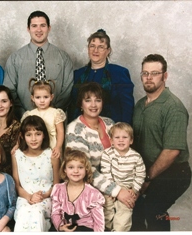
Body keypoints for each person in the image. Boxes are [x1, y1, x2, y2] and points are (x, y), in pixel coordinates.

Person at [131, 54, 191, 231]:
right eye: (145, 73)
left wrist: (147, 178)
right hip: (146, 169)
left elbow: (172, 151)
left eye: (155, 73)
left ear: (165, 76)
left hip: (174, 172)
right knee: (133, 208)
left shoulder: (173, 107)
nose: (149, 78)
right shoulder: (141, 105)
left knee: (154, 208)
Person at [65, 81, 135, 210]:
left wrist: (129, 186)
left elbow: (124, 156)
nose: (93, 105)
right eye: (87, 100)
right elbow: (85, 169)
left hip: (117, 183)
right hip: (90, 188)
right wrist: (116, 191)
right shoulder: (75, 130)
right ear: (80, 104)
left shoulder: (110, 123)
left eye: (98, 100)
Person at [3, 10, 73, 120]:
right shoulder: (15, 58)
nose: (39, 30)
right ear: (28, 29)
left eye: (43, 25)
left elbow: (68, 90)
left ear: (49, 28)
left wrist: (52, 114)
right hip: (24, 122)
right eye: (34, 26)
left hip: (55, 121)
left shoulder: (63, 57)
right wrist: (25, 115)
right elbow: (10, 90)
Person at [67, 29, 134, 125]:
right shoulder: (77, 74)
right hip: (81, 130)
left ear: (108, 51)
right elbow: (72, 106)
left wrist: (123, 132)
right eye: (92, 46)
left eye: (101, 47)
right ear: (88, 49)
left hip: (112, 130)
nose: (95, 50)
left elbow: (127, 108)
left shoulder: (119, 73)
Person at [12, 115, 60, 231]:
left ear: (44, 135)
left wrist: (42, 196)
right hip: (25, 198)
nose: (33, 139)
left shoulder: (51, 155)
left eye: (38, 134)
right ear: (22, 136)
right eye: (29, 135)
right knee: (23, 213)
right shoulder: (16, 155)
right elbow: (17, 185)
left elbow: (56, 185)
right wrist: (29, 197)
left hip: (45, 199)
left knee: (37, 212)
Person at [100, 122, 146, 231]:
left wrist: (134, 189)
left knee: (125, 211)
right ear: (111, 141)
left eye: (125, 137)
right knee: (106, 208)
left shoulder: (136, 157)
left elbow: (141, 174)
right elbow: (105, 172)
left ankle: (119, 230)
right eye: (117, 137)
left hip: (127, 187)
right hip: (111, 186)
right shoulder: (107, 154)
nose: (121, 140)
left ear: (131, 140)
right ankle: (108, 227)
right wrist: (112, 190)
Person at [51, 147, 105, 232]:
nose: (76, 171)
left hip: (85, 229)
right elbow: (55, 213)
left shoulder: (93, 194)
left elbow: (99, 222)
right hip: (64, 228)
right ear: (65, 169)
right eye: (71, 167)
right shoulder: (59, 189)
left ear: (86, 169)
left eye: (80, 167)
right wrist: (60, 227)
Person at [21, 78, 66, 158]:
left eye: (46, 97)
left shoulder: (55, 113)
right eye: (38, 97)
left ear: (51, 97)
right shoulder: (30, 114)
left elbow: (60, 131)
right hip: (35, 144)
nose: (42, 101)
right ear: (32, 98)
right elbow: (23, 133)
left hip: (52, 145)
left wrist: (58, 147)